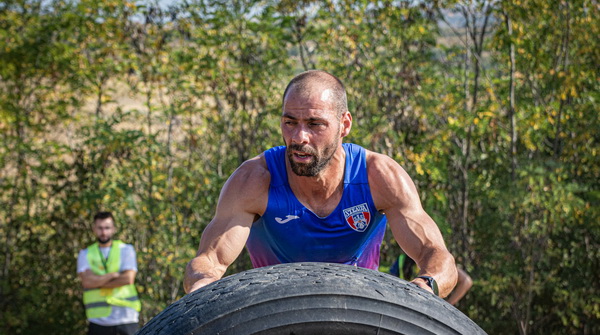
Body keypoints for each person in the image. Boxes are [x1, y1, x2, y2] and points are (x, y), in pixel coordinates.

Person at [184, 70, 457, 297]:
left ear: (344, 124)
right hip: (275, 316)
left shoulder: (378, 177)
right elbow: (209, 262)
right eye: (290, 122)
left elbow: (437, 256)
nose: (299, 137)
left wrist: (424, 288)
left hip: (359, 313)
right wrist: (202, 288)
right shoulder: (253, 181)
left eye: (315, 124)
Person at [77, 211, 141, 335]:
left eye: (107, 228)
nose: (103, 232)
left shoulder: (126, 250)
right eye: (100, 228)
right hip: (99, 321)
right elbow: (86, 282)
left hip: (127, 319)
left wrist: (97, 281)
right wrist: (113, 275)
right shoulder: (86, 253)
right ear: (94, 229)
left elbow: (128, 279)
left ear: (113, 229)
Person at [386, 253, 472, 305]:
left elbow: (466, 281)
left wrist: (448, 305)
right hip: (408, 305)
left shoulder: (440, 263)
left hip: (421, 308)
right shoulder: (402, 260)